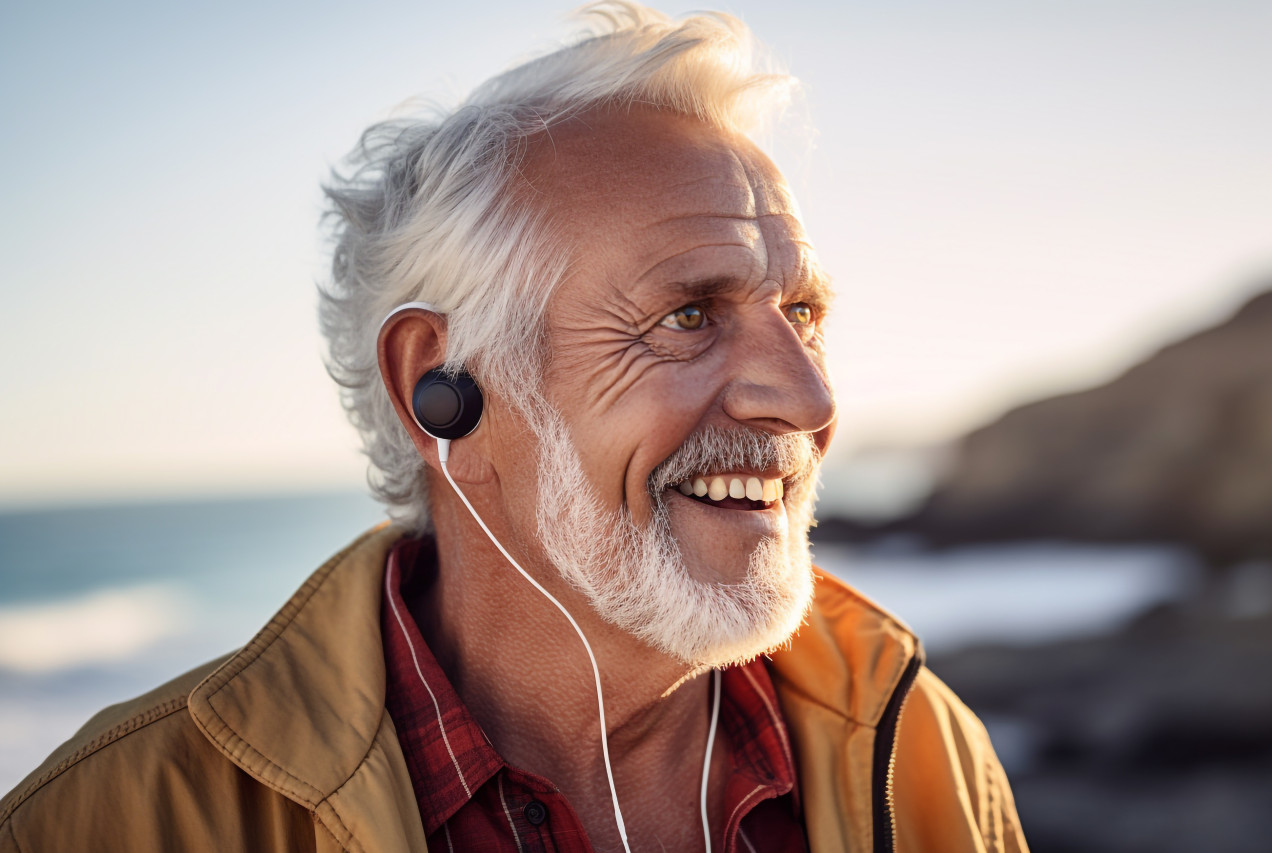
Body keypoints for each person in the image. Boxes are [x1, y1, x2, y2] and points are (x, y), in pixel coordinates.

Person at [0, 4, 1027, 851]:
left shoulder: (921, 749)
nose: (806, 402)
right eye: (686, 315)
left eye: (800, 315)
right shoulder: (114, 821)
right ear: (438, 386)